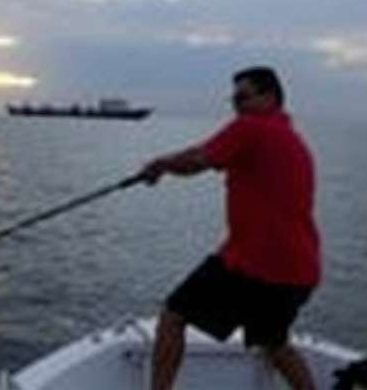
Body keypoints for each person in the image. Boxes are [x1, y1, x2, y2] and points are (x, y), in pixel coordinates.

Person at [137, 66, 321, 390]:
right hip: (298, 271)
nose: (236, 105)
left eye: (243, 97)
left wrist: (159, 165)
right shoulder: (290, 136)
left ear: (270, 97)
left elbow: (198, 159)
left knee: (172, 316)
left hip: (255, 266)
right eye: (233, 99)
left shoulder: (251, 128)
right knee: (274, 344)